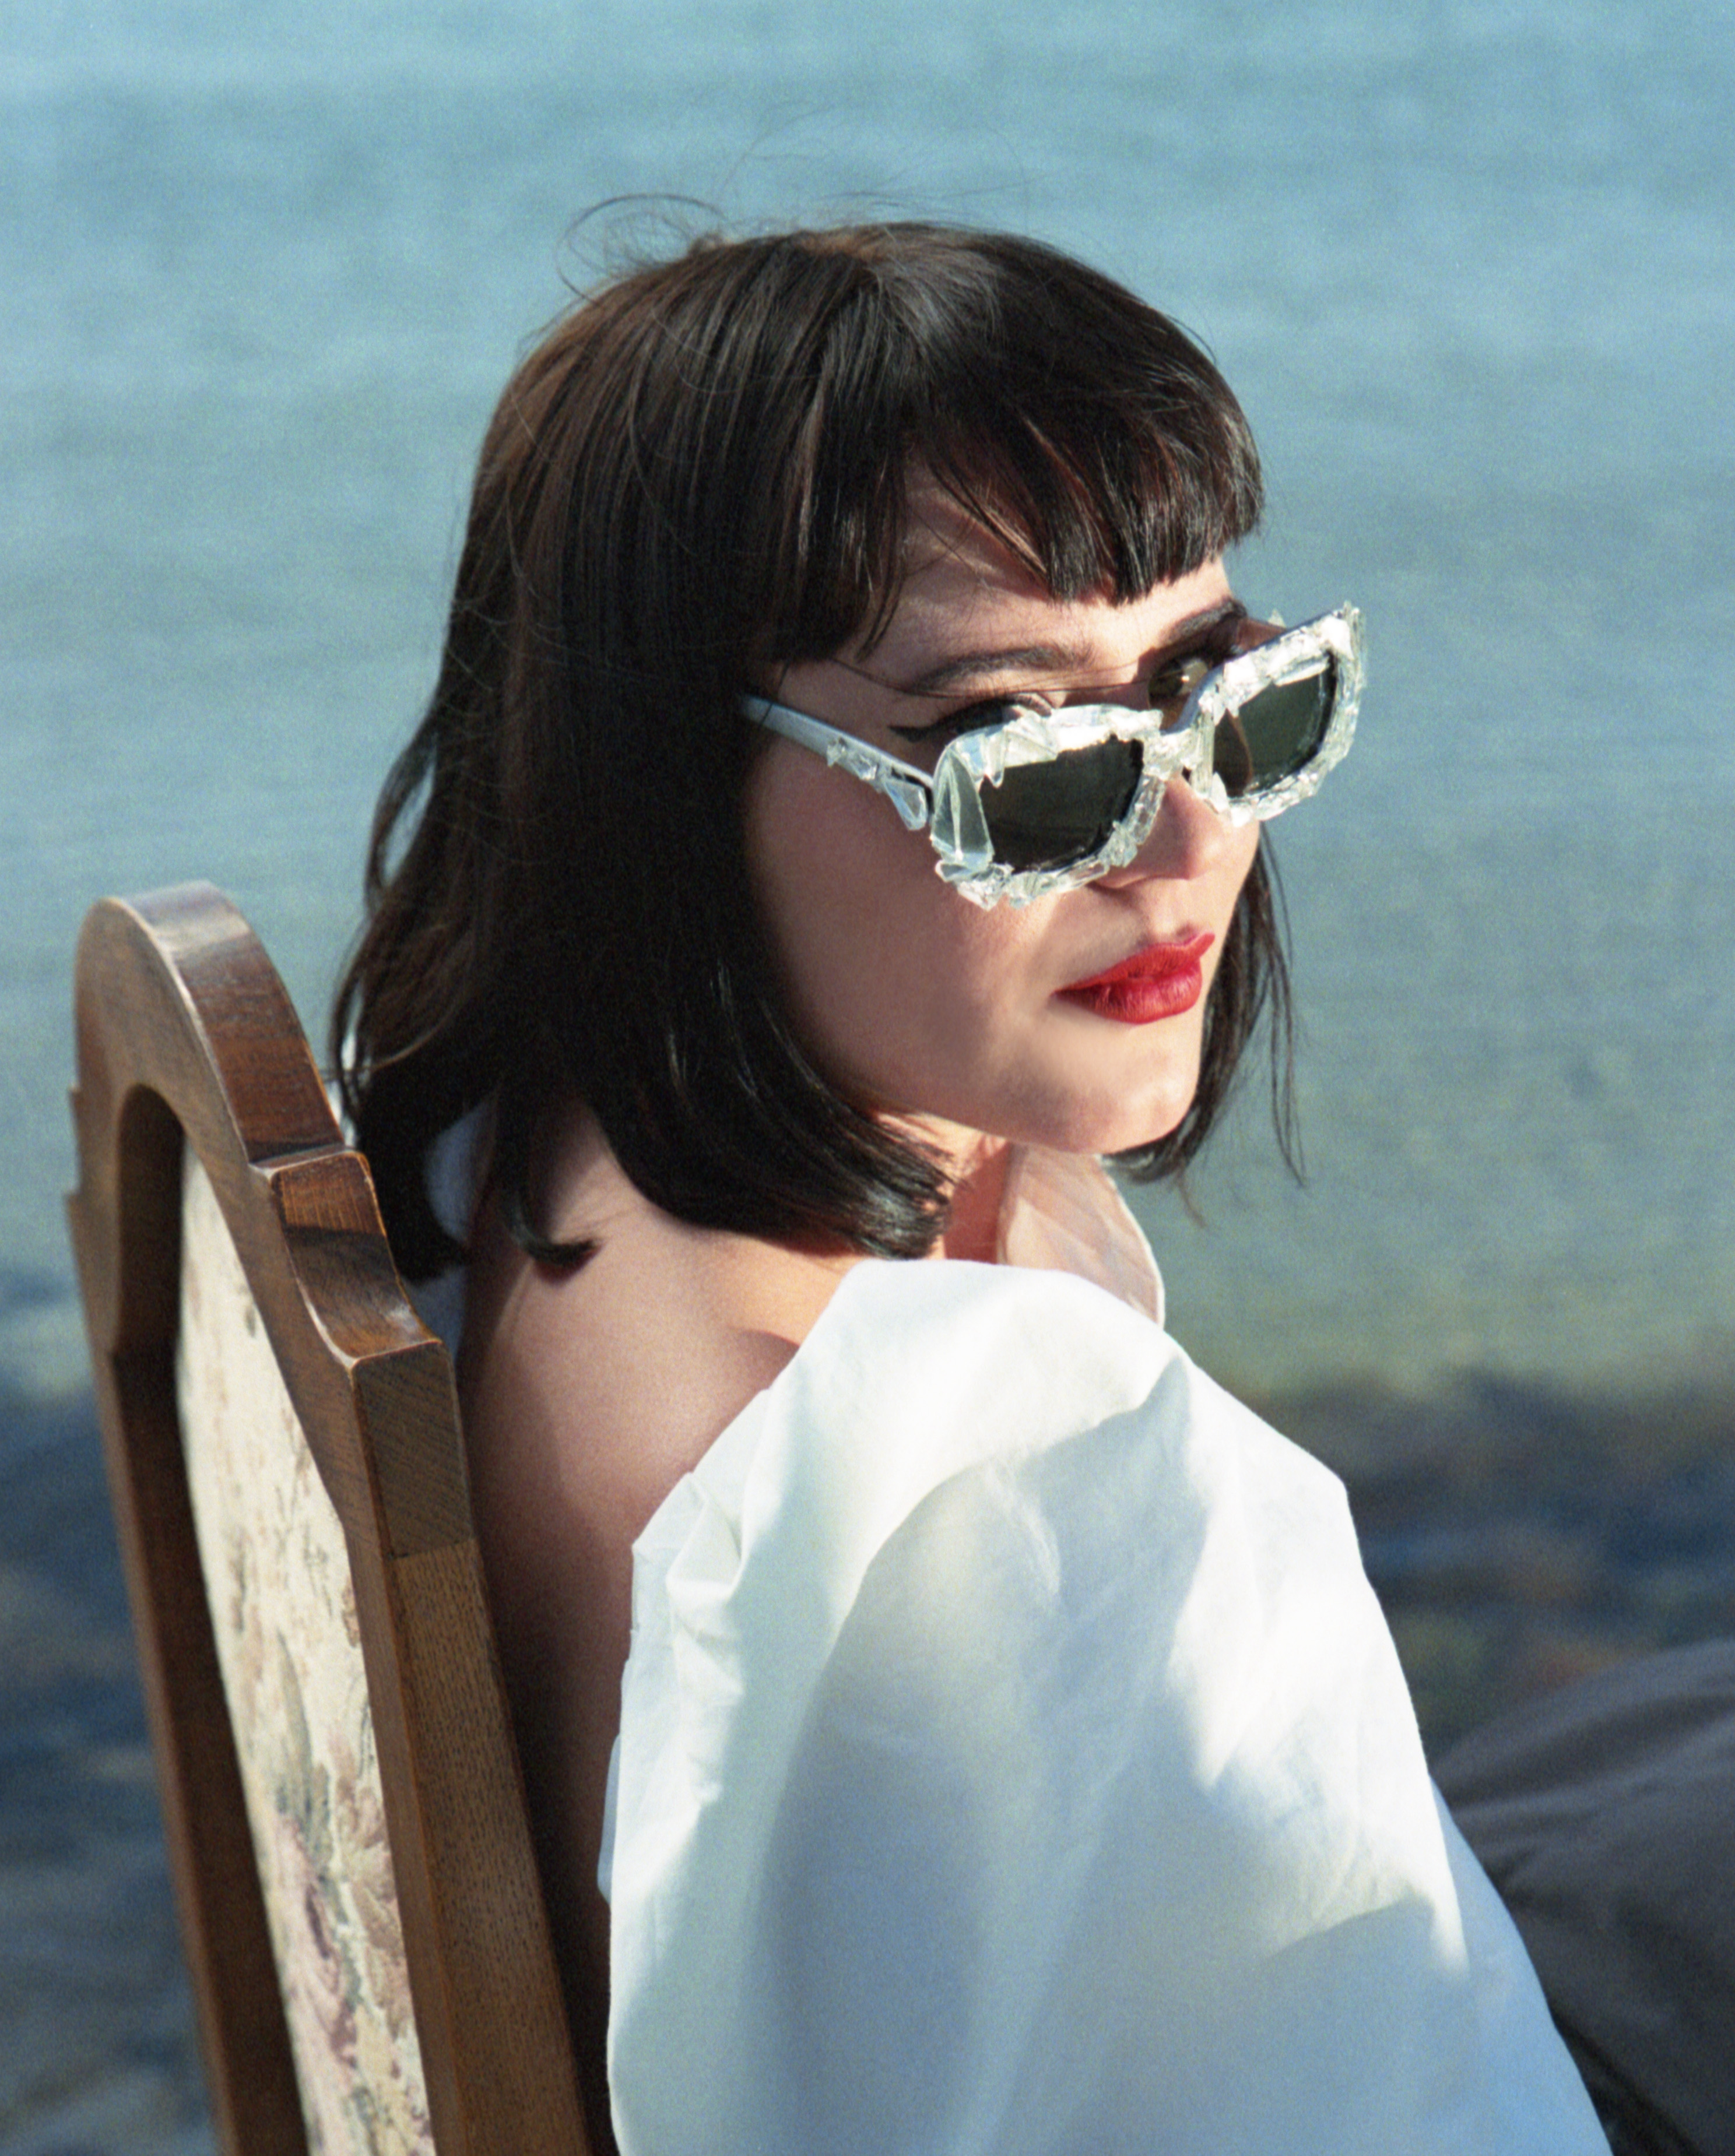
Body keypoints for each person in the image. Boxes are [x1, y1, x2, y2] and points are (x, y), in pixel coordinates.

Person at [335, 223, 1607, 2153]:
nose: (1190, 838)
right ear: (664, 787)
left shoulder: (544, 1143)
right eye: (1029, 768)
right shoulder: (998, 1503)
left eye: (1235, 697)